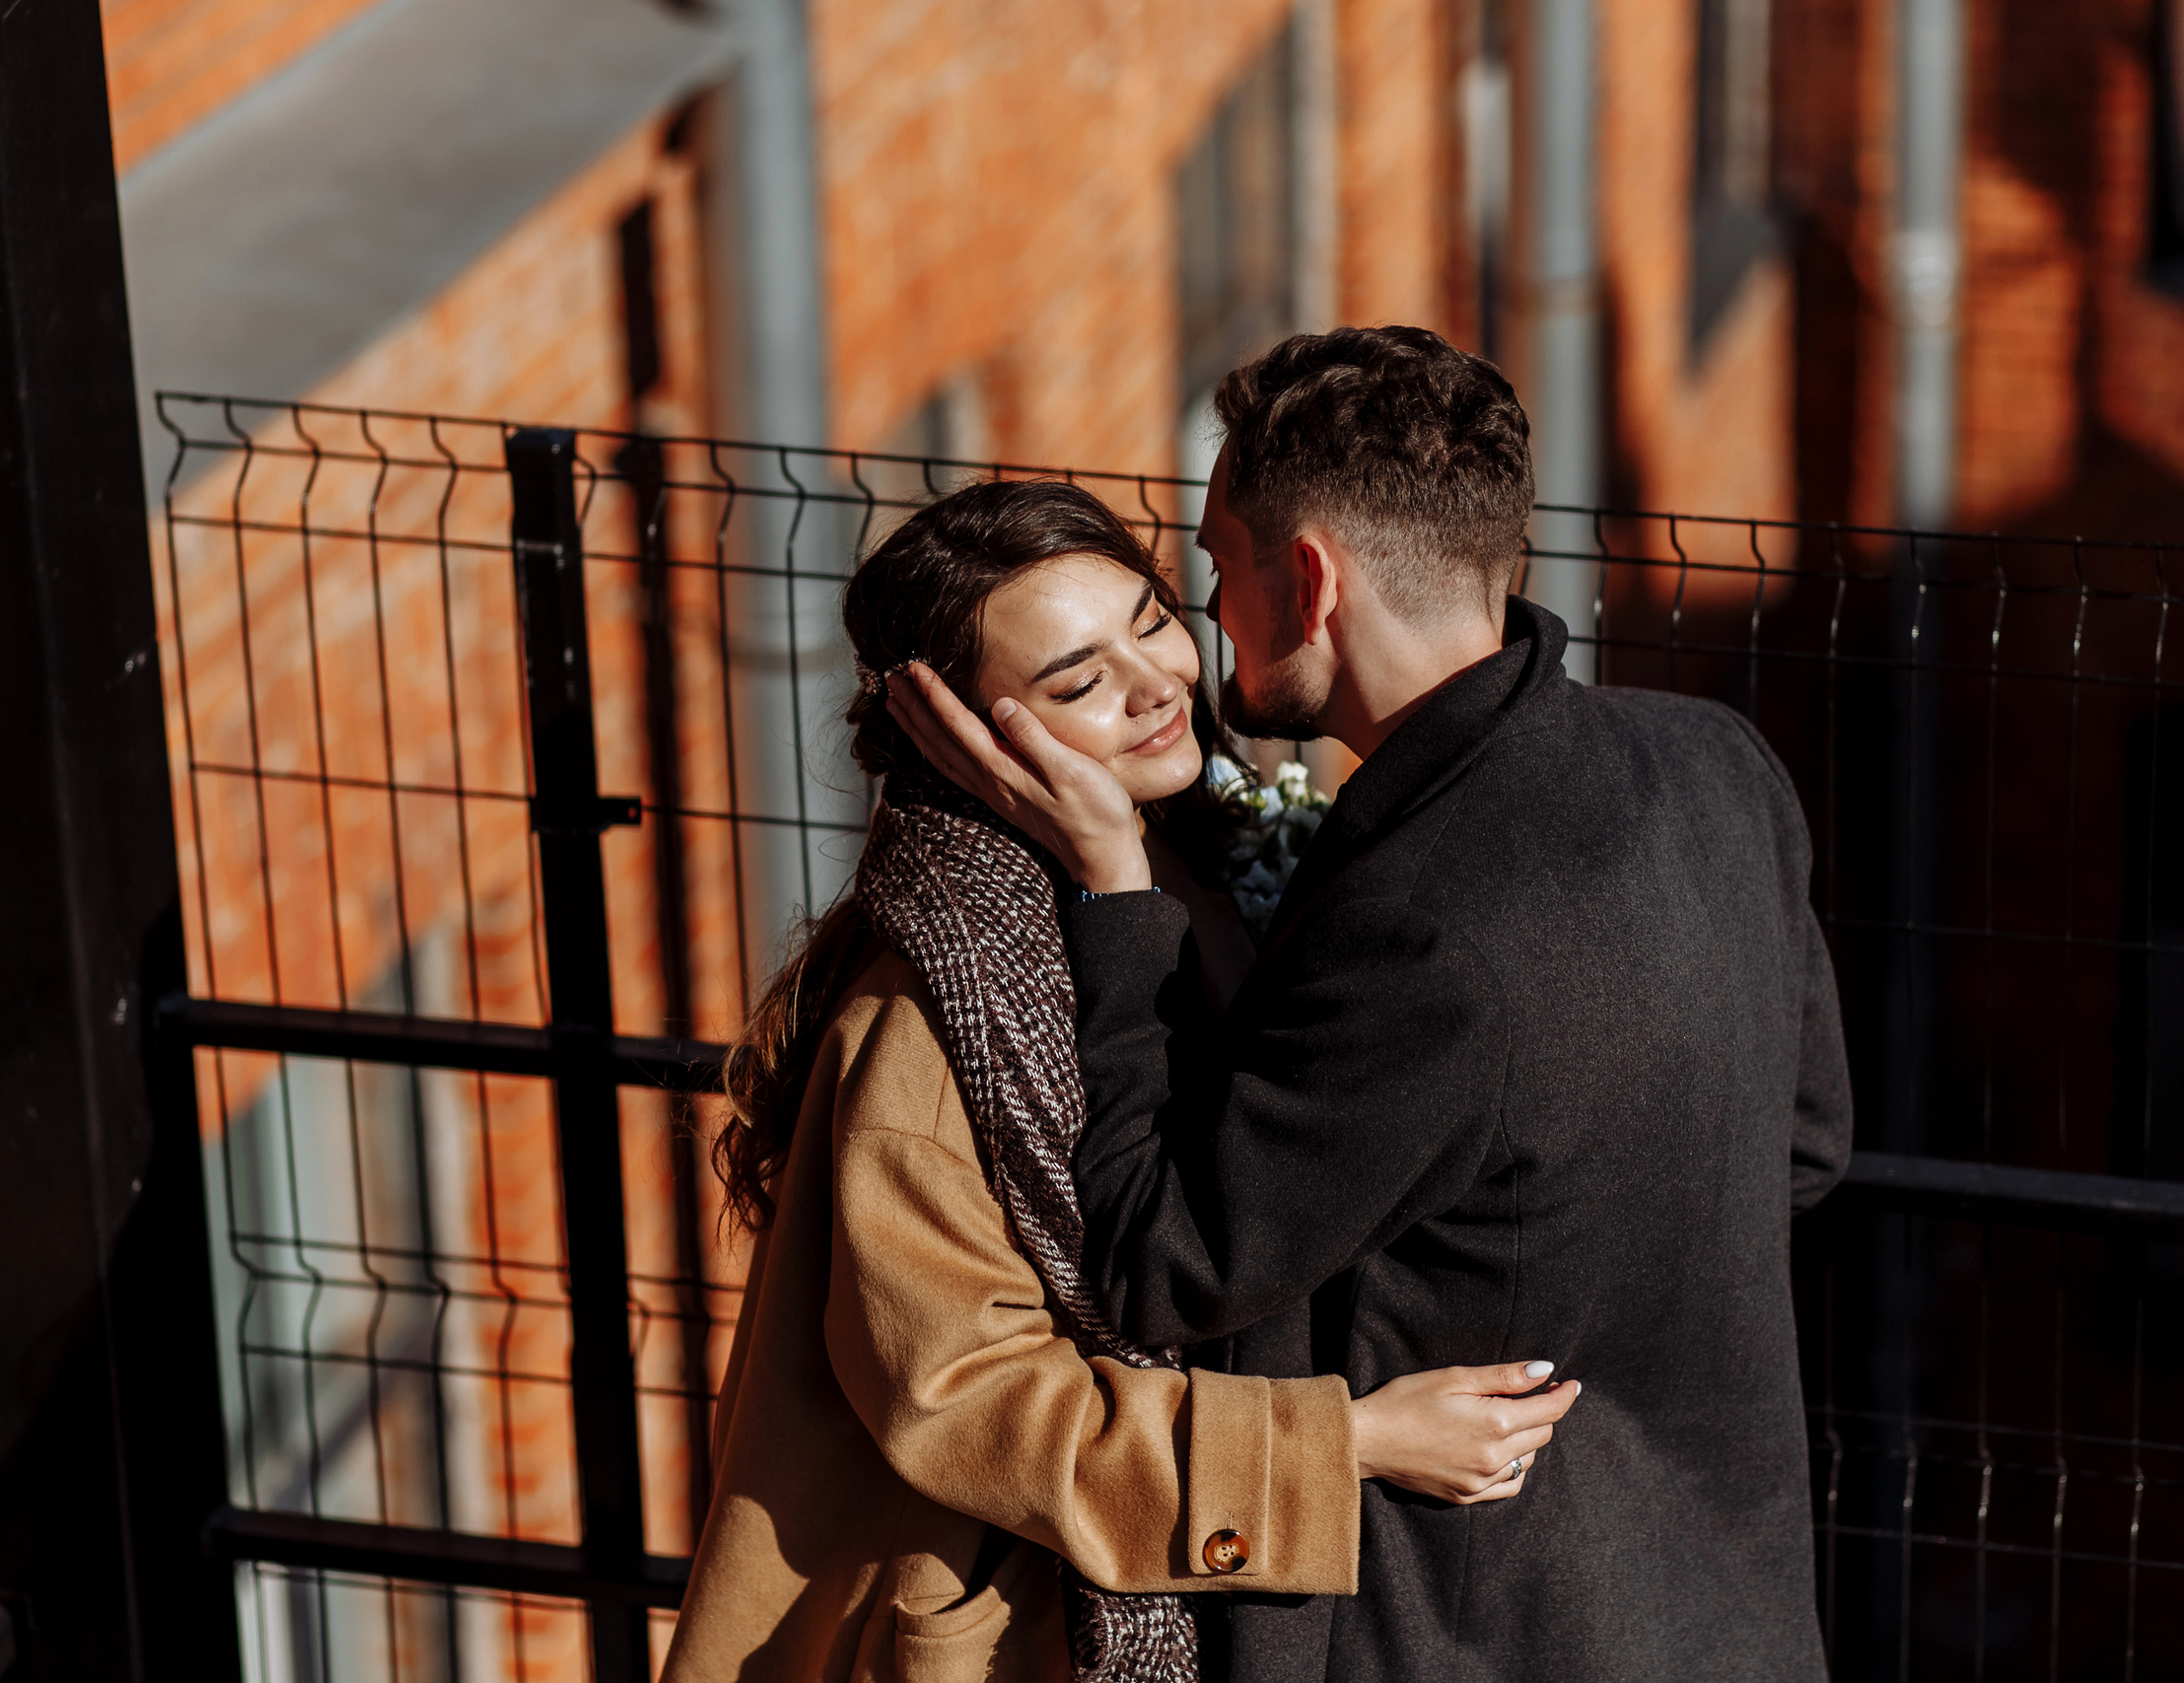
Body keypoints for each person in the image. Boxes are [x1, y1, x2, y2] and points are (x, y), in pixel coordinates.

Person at [886, 327, 1852, 1682]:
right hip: (1737, 1609)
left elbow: (1162, 1254)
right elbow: (1804, 1146)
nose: (1210, 619)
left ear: (1314, 578)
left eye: (1215, 570)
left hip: (1480, 1627)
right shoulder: (1718, 762)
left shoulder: (1421, 926)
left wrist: (1114, 890)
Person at [664, 479, 1581, 1683]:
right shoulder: (932, 1023)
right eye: (1076, 683)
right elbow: (964, 1401)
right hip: (1011, 1624)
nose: (1156, 684)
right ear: (965, 733)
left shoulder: (1182, 860)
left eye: (1150, 621)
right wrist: (1347, 1443)